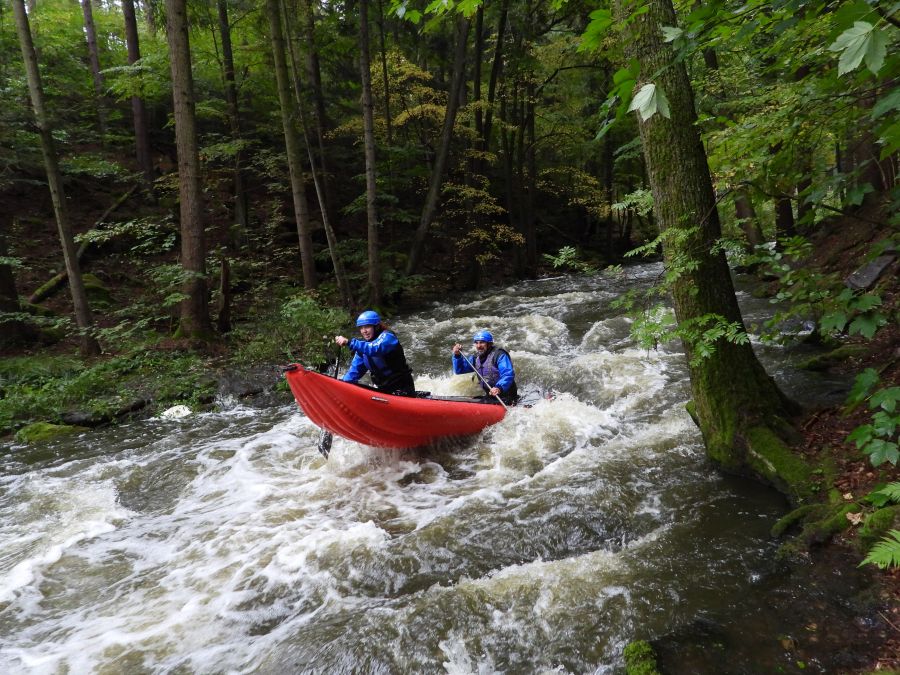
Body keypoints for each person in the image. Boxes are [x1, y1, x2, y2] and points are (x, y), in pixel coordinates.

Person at [335, 310, 416, 396]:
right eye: (361, 328)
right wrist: (342, 386)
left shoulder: (388, 337)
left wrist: (349, 342)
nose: (364, 331)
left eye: (367, 327)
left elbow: (374, 348)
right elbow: (354, 371)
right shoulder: (363, 349)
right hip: (384, 390)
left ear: (376, 327)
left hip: (403, 388)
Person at [452, 330, 518, 405]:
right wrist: (457, 356)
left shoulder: (500, 355)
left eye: (482, 342)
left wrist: (498, 388)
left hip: (507, 397)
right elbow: (459, 370)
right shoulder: (476, 358)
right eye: (476, 343)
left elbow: (508, 374)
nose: (478, 346)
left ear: (489, 344)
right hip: (491, 396)